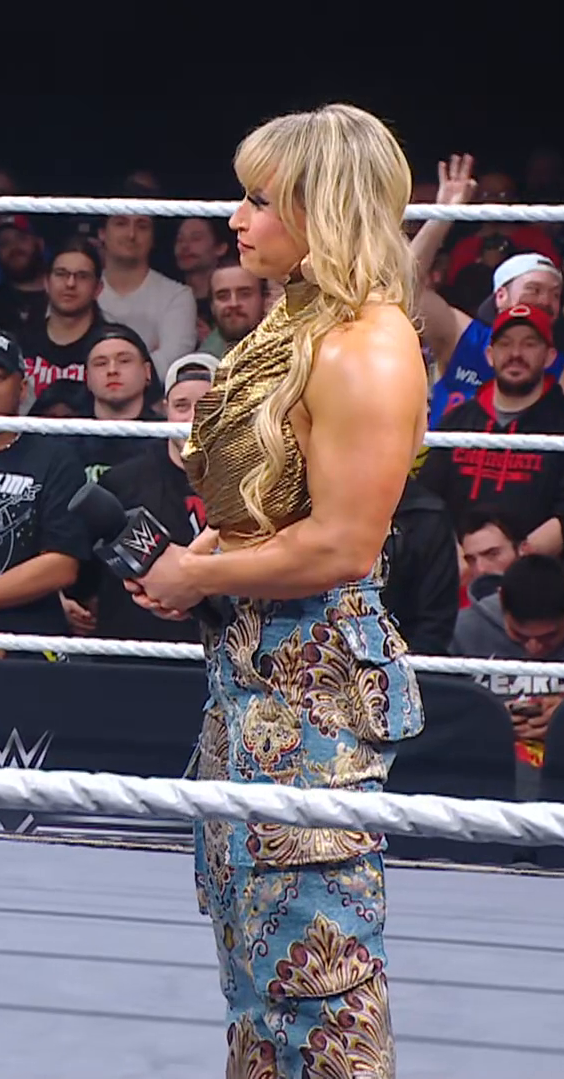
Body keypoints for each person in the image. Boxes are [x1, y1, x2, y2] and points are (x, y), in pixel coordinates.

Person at [124, 104, 425, 1076]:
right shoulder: (295, 322)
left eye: (258, 199)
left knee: (318, 979)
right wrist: (207, 551)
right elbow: (278, 492)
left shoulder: (366, 347)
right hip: (250, 667)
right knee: (256, 963)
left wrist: (200, 571)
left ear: (321, 207)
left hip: (314, 681)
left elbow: (342, 542)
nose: (236, 219)